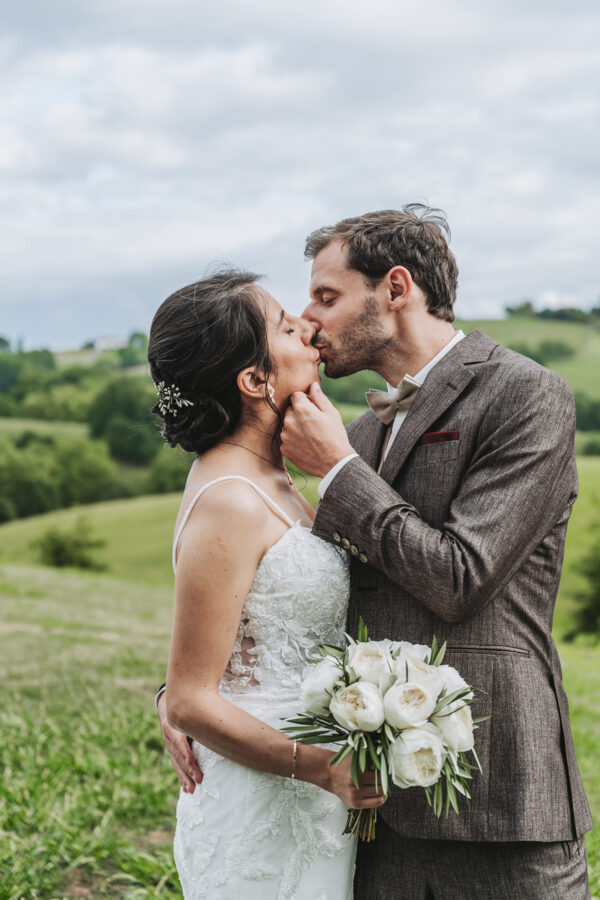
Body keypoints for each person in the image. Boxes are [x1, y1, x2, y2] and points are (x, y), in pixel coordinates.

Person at [159, 206, 592, 899]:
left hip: (501, 797)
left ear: (396, 289)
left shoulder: (524, 395)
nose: (310, 320)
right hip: (370, 812)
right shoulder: (354, 433)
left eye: (326, 297)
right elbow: (283, 589)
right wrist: (193, 699)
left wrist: (336, 472)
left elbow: (461, 578)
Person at [148, 270, 382, 900]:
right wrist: (325, 769)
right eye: (285, 326)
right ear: (254, 382)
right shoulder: (231, 498)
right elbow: (192, 701)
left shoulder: (268, 476)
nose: (307, 327)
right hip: (266, 800)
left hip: (306, 795)